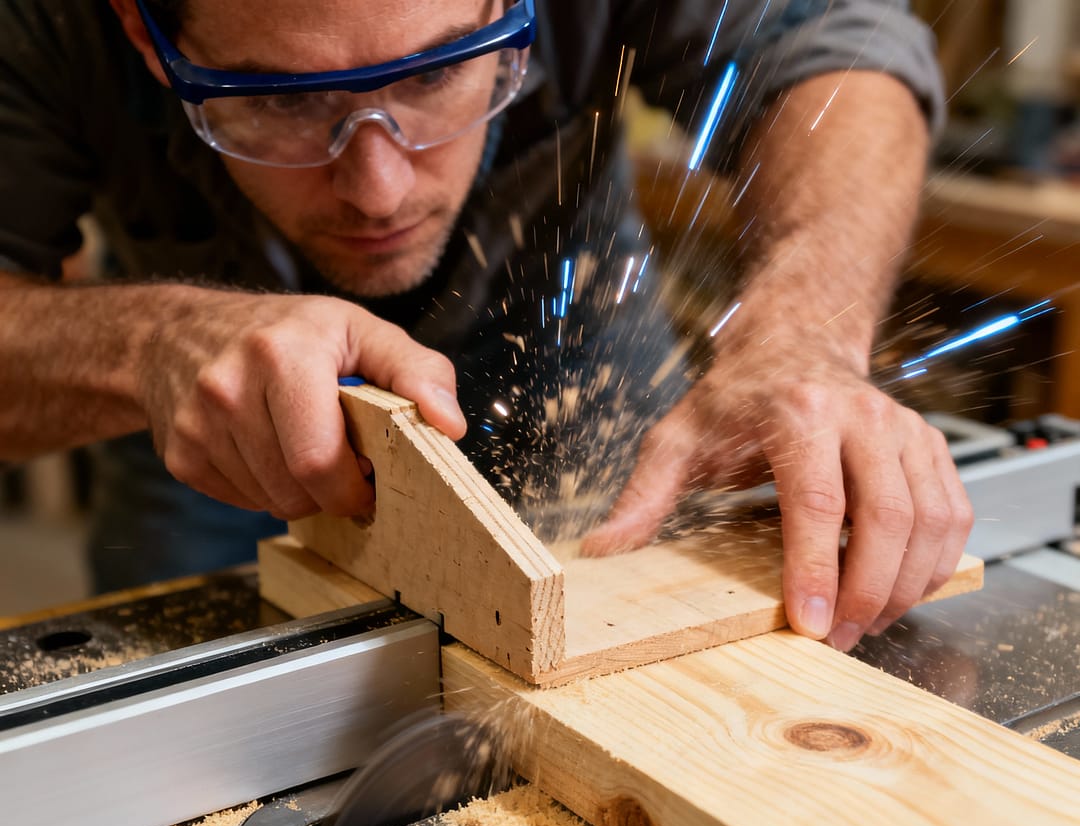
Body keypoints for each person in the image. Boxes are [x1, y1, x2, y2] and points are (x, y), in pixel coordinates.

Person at [0, 0, 972, 653]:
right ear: (137, 28)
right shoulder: (39, 20)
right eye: (275, 102)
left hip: (572, 357)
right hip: (213, 412)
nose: (377, 189)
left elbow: (837, 43)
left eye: (433, 78)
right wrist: (148, 342)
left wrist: (805, 332)